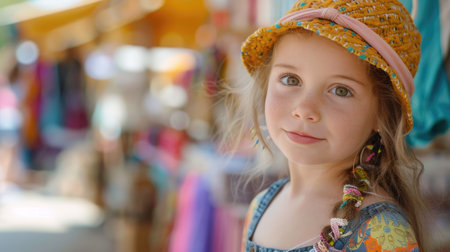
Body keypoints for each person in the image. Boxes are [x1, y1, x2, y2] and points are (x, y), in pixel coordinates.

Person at [220, 0, 431, 251]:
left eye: (341, 90)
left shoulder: (382, 233)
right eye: (290, 79)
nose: (305, 109)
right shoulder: (260, 205)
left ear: (382, 114)